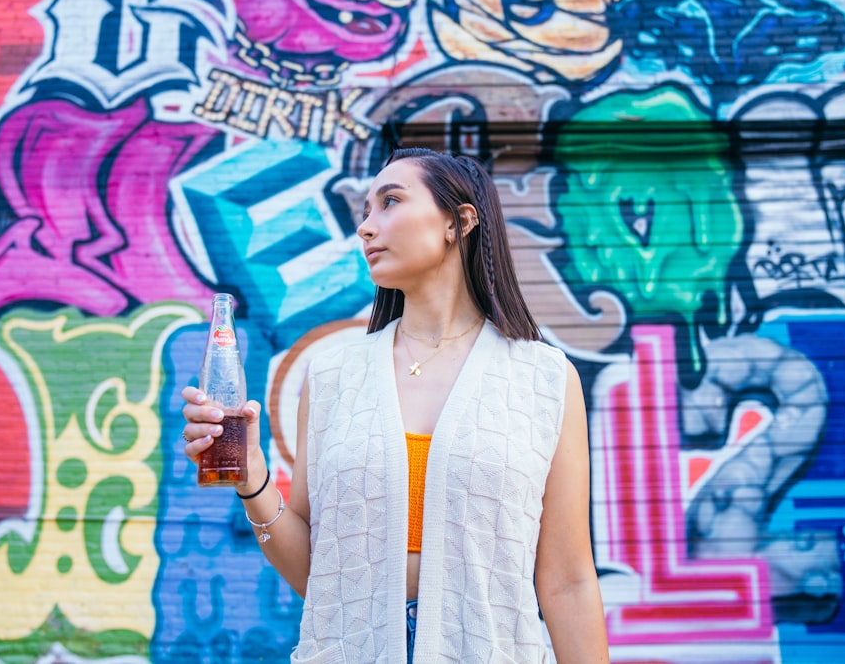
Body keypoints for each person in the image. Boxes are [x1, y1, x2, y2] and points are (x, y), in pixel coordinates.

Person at [181, 147, 610, 663]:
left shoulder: (543, 378)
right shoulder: (333, 374)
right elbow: (316, 576)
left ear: (458, 221)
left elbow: (568, 581)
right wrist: (252, 478)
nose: (366, 227)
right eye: (365, 212)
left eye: (390, 202)